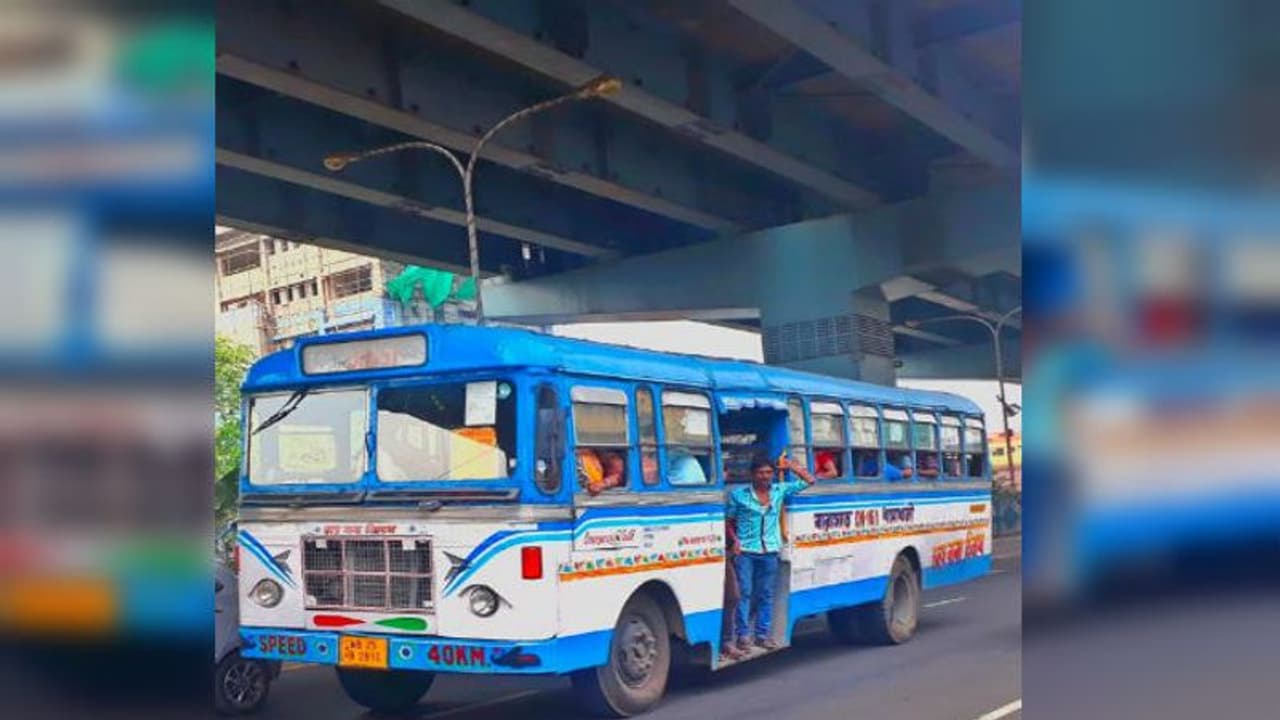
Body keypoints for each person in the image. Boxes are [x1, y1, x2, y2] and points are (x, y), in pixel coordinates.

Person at [725, 453, 815, 653]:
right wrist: (735, 540)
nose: (765, 477)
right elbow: (729, 521)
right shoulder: (738, 495)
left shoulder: (779, 491)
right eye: (760, 473)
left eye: (768, 473)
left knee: (765, 594)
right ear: (752, 475)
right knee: (744, 593)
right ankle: (743, 635)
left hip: (770, 550)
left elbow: (810, 480)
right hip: (746, 551)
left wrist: (790, 466)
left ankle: (762, 635)